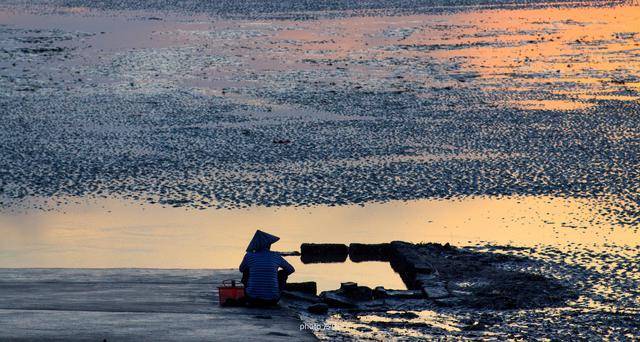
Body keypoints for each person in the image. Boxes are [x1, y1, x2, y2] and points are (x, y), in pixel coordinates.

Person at [239, 230, 295, 306]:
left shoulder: (249, 255)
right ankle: (272, 291)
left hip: (252, 299)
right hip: (272, 300)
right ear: (269, 245)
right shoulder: (276, 256)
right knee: (283, 273)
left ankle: (253, 290)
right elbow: (291, 269)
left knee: (246, 270)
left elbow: (241, 269)